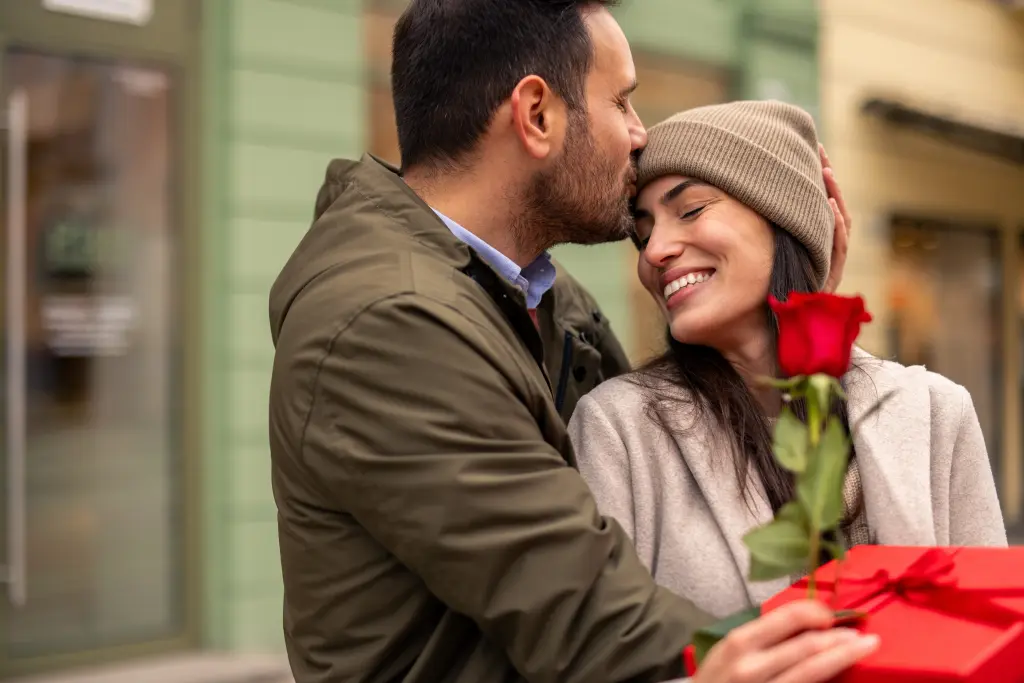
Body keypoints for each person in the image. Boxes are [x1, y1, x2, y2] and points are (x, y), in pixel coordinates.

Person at [267, 0, 874, 680]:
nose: (640, 136)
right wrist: (863, 647)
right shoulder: (389, 322)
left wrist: (797, 307)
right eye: (622, 102)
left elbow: (709, 446)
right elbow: (591, 614)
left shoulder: (536, 296)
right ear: (537, 115)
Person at [568, 100, 1008, 623]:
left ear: (782, 218)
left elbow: (993, 630)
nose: (655, 250)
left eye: (690, 210)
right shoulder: (618, 430)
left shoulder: (936, 412)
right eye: (642, 233)